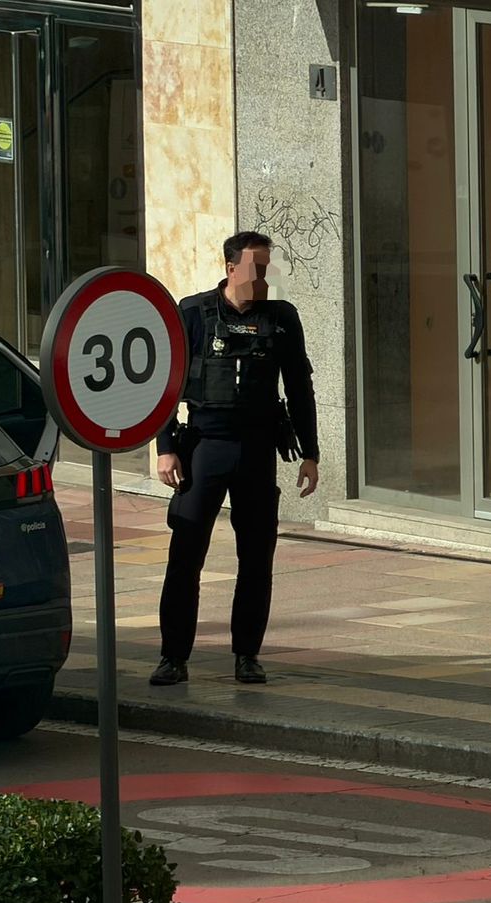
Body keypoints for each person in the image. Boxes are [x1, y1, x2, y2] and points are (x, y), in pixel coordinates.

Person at [149, 231, 319, 687]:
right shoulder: (194, 313)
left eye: (268, 267)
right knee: (185, 557)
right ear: (230, 268)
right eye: (256, 267)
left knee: (256, 558)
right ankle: (173, 658)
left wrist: (311, 453)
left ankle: (247, 655)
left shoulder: (282, 318)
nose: (265, 276)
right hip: (204, 446)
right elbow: (164, 384)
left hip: (257, 449)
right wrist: (165, 447)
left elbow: (299, 388)